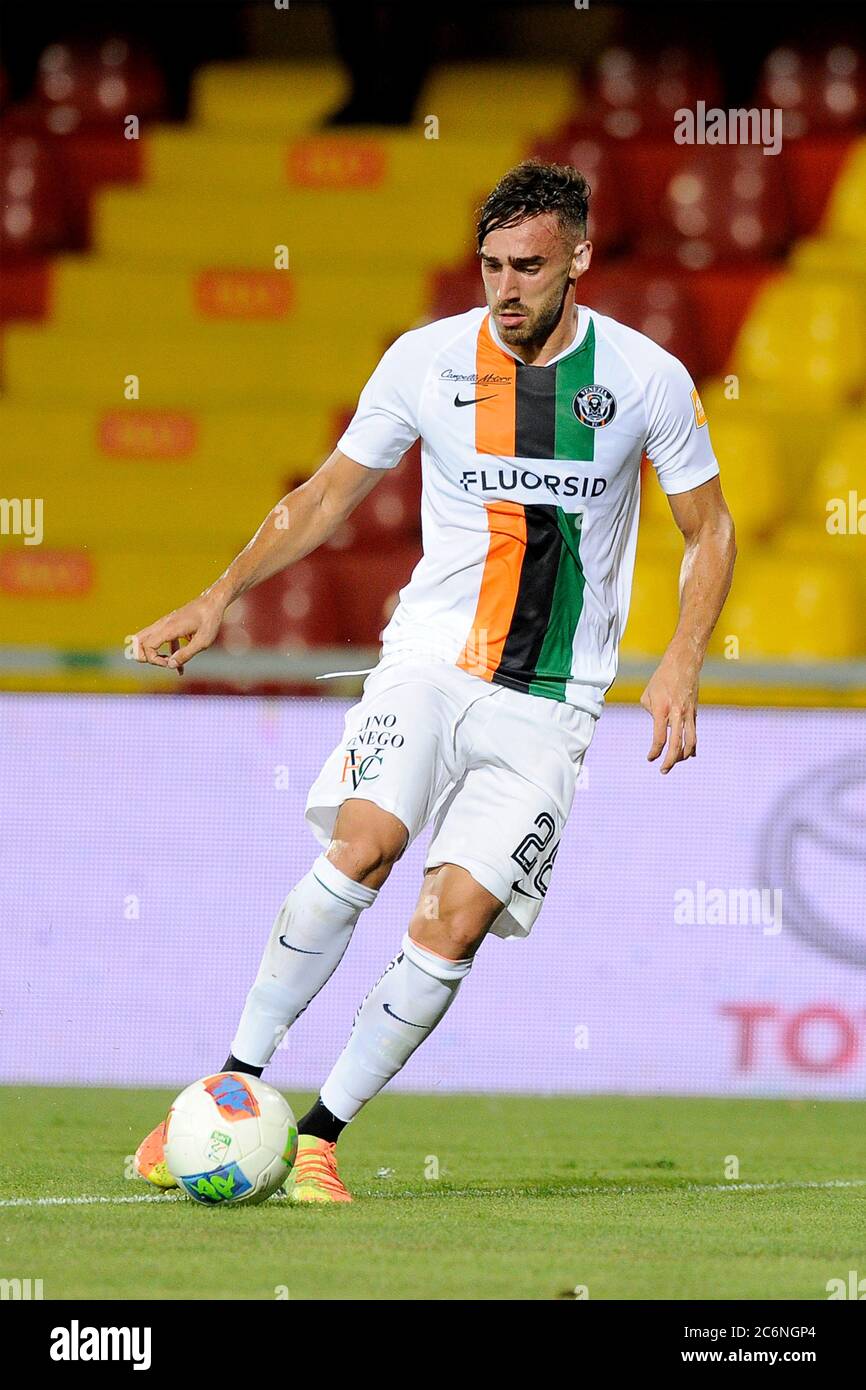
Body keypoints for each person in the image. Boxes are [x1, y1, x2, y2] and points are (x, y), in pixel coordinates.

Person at [132, 160, 736, 1203]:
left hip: (551, 701)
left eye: (529, 267)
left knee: (450, 921)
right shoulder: (425, 361)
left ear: (579, 260)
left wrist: (680, 656)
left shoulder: (643, 380)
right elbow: (326, 493)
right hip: (427, 662)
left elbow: (708, 528)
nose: (505, 289)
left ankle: (317, 1136)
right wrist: (219, 591)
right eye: (491, 265)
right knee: (362, 844)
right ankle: (230, 1083)